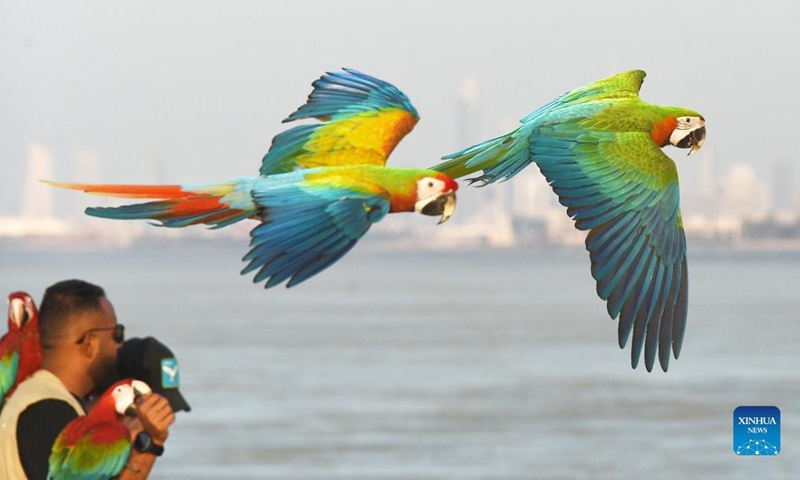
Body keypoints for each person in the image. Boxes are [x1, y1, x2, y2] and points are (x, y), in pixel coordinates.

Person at [0, 280, 175, 480]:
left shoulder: (36, 396)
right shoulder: (49, 409)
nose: (120, 345)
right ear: (89, 343)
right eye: (117, 334)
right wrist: (151, 443)